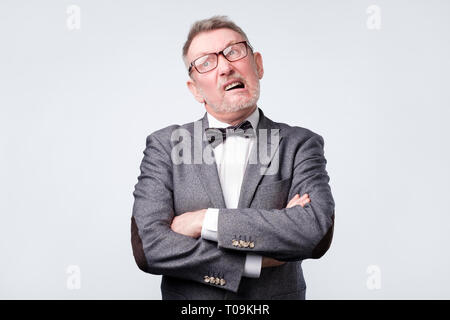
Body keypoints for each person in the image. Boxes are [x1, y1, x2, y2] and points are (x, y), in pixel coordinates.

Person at [131, 16, 335, 300]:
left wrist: (204, 221)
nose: (226, 67)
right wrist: (252, 262)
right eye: (206, 62)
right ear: (195, 90)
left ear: (258, 65)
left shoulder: (301, 144)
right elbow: (148, 248)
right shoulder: (164, 145)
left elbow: (314, 233)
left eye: (234, 52)